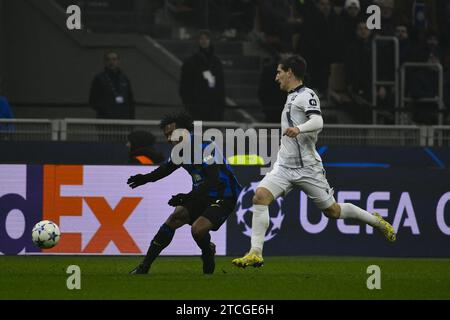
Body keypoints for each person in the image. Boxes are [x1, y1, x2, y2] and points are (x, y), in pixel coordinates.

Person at [232, 55, 396, 268]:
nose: (276, 77)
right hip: (284, 165)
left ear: (290, 72)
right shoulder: (291, 97)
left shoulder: (307, 95)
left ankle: (375, 221)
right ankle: (255, 253)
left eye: (279, 72)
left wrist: (298, 129)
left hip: (307, 168)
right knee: (260, 197)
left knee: (333, 212)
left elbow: (318, 121)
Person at [127, 112, 242, 274]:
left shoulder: (204, 146)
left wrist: (187, 197)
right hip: (202, 194)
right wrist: (144, 179)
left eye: (171, 134)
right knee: (174, 218)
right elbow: (166, 169)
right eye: (166, 135)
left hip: (224, 195)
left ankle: (207, 251)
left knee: (198, 230)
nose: (168, 139)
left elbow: (213, 180)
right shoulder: (180, 151)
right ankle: (144, 267)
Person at [179, 30, 226, 121]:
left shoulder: (216, 62)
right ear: (197, 41)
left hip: (214, 107)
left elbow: (221, 85)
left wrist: (221, 105)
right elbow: (184, 85)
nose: (204, 41)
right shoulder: (190, 62)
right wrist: (189, 104)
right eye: (201, 38)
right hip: (196, 106)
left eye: (207, 38)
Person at [89, 51, 135, 119]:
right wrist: (105, 109)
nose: (111, 62)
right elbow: (92, 101)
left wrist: (131, 118)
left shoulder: (125, 79)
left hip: (124, 118)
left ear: (118, 61)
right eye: (108, 59)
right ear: (104, 62)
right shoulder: (99, 78)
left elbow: (130, 100)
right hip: (105, 119)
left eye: (114, 59)